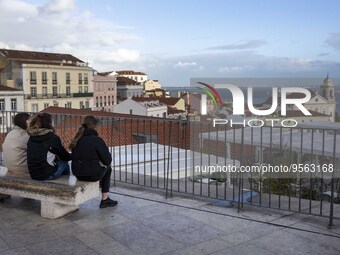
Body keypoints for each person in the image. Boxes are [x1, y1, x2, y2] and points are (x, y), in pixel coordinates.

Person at [69, 116, 117, 208]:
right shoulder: (97, 140)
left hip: (78, 174)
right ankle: (104, 199)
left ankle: (103, 194)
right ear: (95, 126)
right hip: (92, 175)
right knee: (108, 169)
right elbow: (107, 160)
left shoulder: (77, 139)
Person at [27, 112, 71, 180]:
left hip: (33, 174)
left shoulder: (32, 136)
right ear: (49, 123)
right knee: (64, 163)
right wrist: (74, 155)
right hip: (46, 175)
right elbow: (64, 156)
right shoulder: (52, 138)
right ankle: (67, 182)